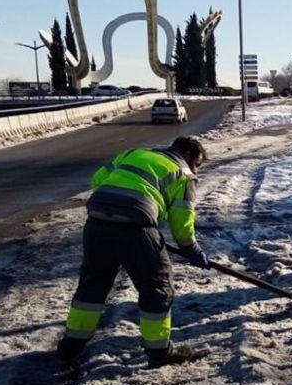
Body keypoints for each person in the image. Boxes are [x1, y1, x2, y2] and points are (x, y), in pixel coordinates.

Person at [56, 136, 210, 368]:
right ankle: (159, 354)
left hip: (97, 222)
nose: (195, 169)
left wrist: (116, 208)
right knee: (157, 288)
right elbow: (181, 222)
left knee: (92, 285)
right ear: (188, 155)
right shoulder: (183, 174)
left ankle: (70, 348)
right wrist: (192, 250)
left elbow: (98, 179)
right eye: (197, 163)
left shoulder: (133, 153)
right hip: (137, 228)